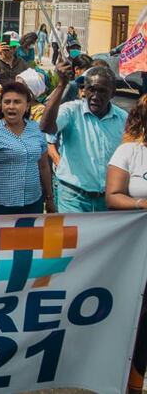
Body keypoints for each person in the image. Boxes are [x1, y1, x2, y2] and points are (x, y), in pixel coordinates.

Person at [104, 94, 147, 394]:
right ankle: (132, 382)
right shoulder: (129, 152)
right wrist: (142, 203)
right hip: (138, 250)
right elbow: (114, 196)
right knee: (141, 318)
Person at [41, 63, 125, 213]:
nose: (95, 96)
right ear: (84, 90)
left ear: (112, 93)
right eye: (91, 89)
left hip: (108, 200)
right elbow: (46, 127)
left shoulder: (124, 119)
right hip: (73, 198)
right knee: (71, 237)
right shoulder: (71, 111)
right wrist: (61, 86)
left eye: (102, 91)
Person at [0, 82, 54, 215]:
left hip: (33, 203)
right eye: (7, 102)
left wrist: (49, 198)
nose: (11, 107)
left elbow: (44, 166)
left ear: (27, 105)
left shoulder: (36, 129)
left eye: (17, 102)